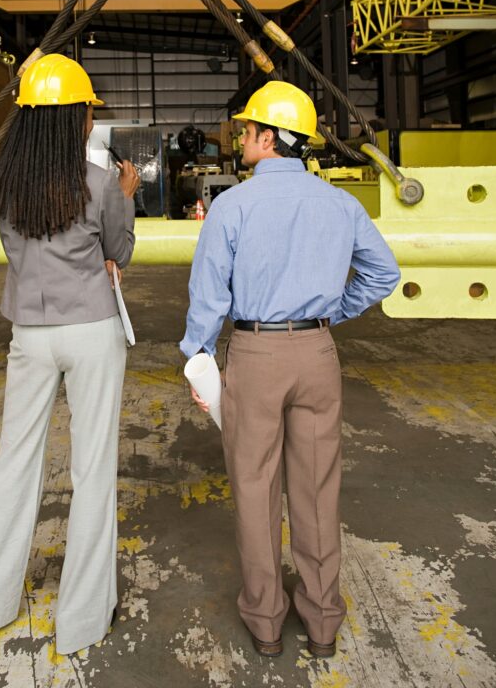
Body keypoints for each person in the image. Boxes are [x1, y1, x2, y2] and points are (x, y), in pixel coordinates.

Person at [180, 81, 400, 659]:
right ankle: (323, 622)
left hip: (255, 356)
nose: (241, 136)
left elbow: (209, 296)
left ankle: (265, 622)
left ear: (270, 138)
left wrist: (197, 356)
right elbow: (383, 273)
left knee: (256, 488)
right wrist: (332, 314)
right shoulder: (340, 204)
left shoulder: (232, 205)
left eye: (248, 129)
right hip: (317, 356)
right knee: (317, 489)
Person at [0, 53, 140, 655]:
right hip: (92, 328)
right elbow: (119, 250)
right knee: (92, 468)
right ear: (76, 117)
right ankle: (83, 620)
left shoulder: (1, 185)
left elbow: (17, 254)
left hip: (31, 333)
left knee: (14, 462)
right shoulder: (97, 184)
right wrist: (125, 195)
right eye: (88, 110)